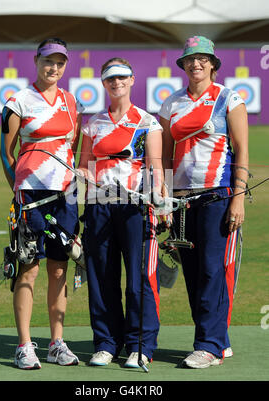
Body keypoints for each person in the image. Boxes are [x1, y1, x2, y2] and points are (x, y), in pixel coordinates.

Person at [159, 36, 249, 368]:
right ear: (182, 65)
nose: (196, 64)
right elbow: (166, 158)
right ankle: (218, 341)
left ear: (212, 63)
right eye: (190, 59)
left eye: (202, 58)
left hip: (218, 197)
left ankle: (207, 345)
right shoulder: (171, 104)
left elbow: (242, 151)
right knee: (194, 274)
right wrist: (164, 200)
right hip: (182, 201)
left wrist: (237, 199)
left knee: (213, 271)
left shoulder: (230, 98)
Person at [0, 38, 84, 369]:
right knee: (28, 267)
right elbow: (7, 153)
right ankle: (24, 345)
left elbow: (72, 146)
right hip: (31, 196)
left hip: (65, 194)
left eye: (60, 62)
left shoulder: (71, 100)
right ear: (36, 60)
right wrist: (19, 191)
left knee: (60, 267)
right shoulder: (18, 101)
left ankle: (57, 343)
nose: (54, 68)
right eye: (48, 61)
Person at [78, 58, 163, 368]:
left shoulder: (147, 121)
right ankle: (106, 343)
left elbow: (155, 166)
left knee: (139, 278)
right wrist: (83, 175)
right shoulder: (93, 123)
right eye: (110, 79)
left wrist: (157, 199)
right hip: (99, 205)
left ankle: (141, 345)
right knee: (102, 276)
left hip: (135, 206)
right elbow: (85, 164)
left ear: (131, 80)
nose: (117, 83)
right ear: (104, 84)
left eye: (122, 77)